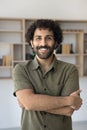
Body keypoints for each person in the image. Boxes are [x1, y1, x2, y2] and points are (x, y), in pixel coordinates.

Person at [13, 19, 82, 130]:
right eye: (38, 38)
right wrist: (69, 100)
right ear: (31, 42)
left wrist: (32, 103)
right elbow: (29, 103)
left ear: (56, 43)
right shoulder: (21, 69)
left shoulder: (70, 70)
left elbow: (68, 110)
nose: (43, 43)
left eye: (48, 38)